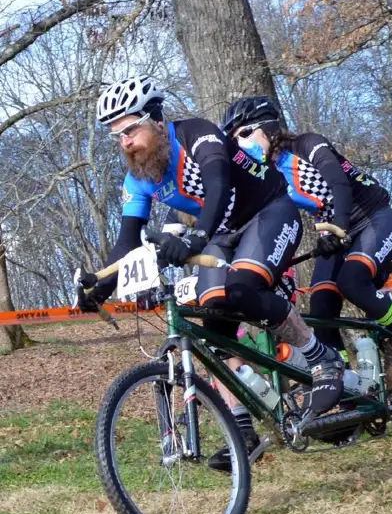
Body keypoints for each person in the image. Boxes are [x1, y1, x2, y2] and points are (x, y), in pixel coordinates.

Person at [74, 75, 345, 472]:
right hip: (221, 232)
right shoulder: (138, 178)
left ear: (154, 118)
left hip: (267, 212)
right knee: (211, 313)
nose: (125, 141)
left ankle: (323, 359)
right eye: (117, 135)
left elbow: (217, 183)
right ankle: (241, 428)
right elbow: (127, 242)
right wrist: (101, 284)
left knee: (239, 289)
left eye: (130, 129)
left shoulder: (196, 134)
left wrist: (197, 236)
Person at [221, 96, 392, 387]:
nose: (241, 144)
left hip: (373, 218)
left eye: (245, 133)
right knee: (320, 308)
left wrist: (338, 227)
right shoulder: (268, 176)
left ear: (270, 128)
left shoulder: (307, 144)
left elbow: (338, 183)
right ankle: (345, 382)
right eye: (234, 141)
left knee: (352, 280)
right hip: (335, 232)